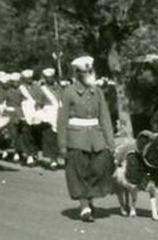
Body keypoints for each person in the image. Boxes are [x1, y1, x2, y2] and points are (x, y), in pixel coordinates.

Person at [57, 56, 115, 223]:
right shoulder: (68, 92)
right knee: (79, 172)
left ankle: (89, 199)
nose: (89, 74)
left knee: (98, 169)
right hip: (76, 138)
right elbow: (62, 119)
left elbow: (105, 117)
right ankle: (84, 207)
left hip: (96, 138)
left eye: (90, 71)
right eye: (84, 72)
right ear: (77, 74)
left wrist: (110, 142)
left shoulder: (97, 91)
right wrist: (62, 145)